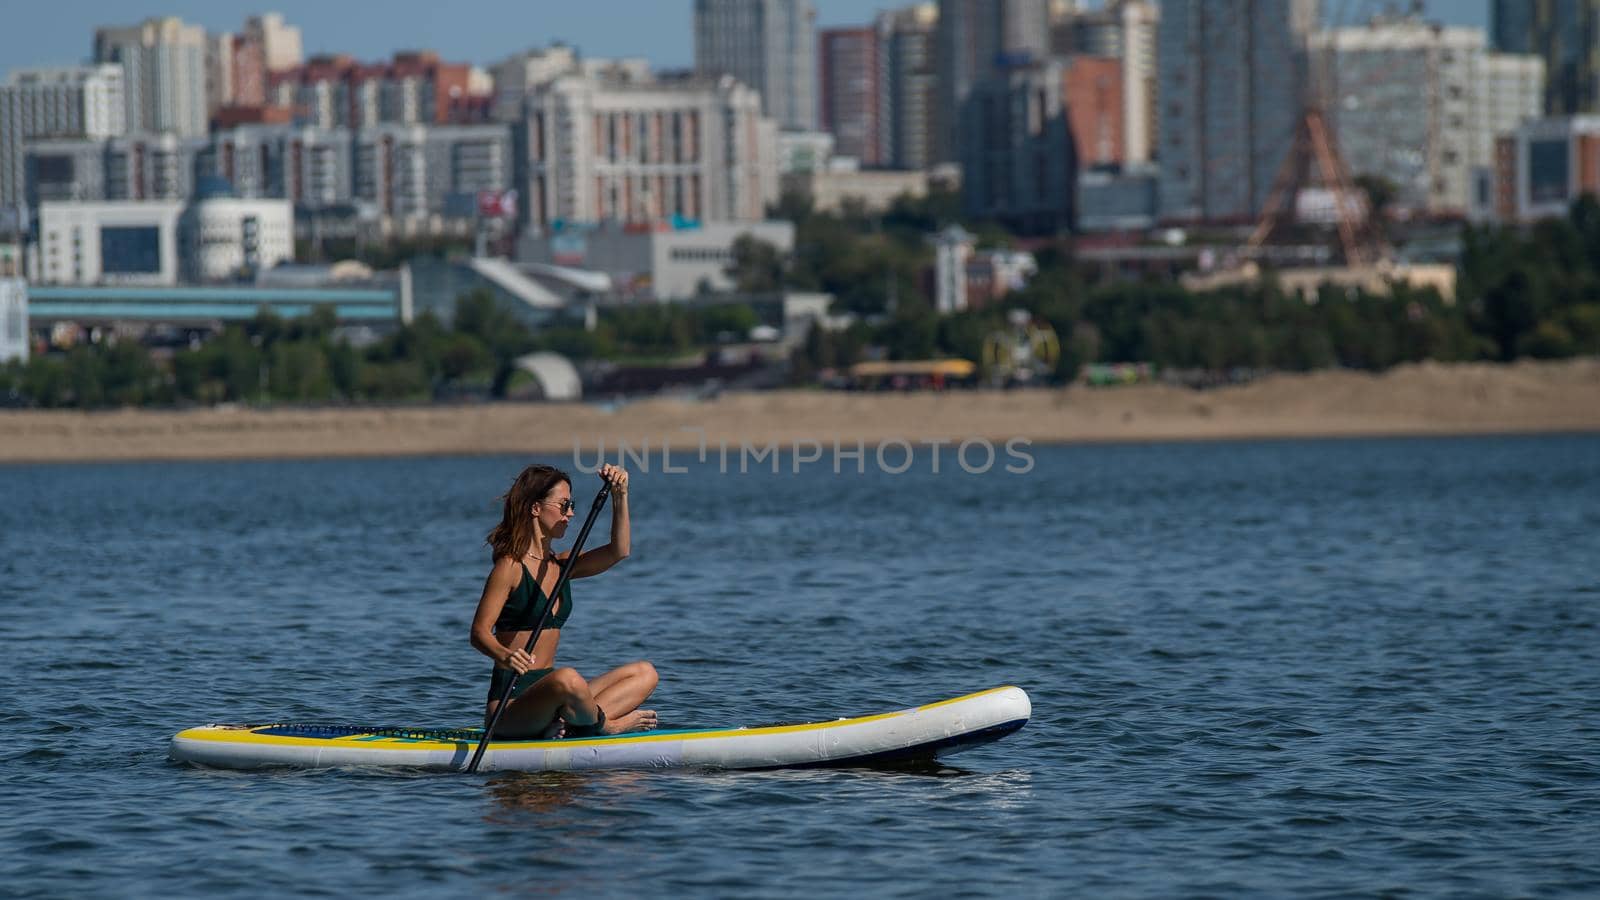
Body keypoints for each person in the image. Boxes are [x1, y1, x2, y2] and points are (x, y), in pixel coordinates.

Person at [470, 463, 658, 738]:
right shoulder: (509, 567)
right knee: (568, 678)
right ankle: (606, 726)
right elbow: (478, 633)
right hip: (510, 708)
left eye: (573, 504)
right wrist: (505, 655)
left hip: (552, 695)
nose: (570, 513)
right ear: (536, 508)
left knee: (644, 672)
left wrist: (620, 495)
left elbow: (619, 551)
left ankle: (571, 726)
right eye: (564, 504)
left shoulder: (560, 566)